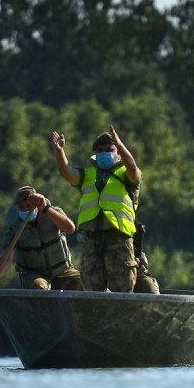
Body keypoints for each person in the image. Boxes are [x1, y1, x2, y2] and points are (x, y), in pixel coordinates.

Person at [51, 125, 141, 292]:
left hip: (118, 239)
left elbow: (133, 168)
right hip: (92, 239)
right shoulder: (87, 175)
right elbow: (66, 172)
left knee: (122, 288)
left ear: (118, 154)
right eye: (100, 150)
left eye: (109, 149)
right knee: (91, 288)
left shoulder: (126, 174)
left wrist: (120, 144)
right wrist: (60, 151)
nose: (104, 152)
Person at [0, 186, 83, 291]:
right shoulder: (14, 228)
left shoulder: (52, 213)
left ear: (36, 205)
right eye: (22, 207)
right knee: (39, 288)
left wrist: (45, 208)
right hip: (33, 275)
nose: (26, 210)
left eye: (29, 206)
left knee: (85, 284)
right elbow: (7, 257)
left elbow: (70, 229)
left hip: (62, 271)